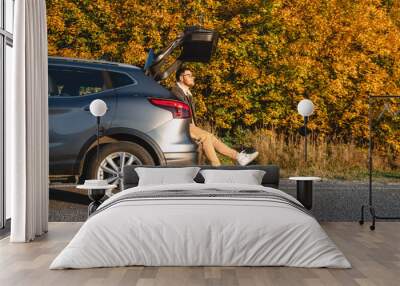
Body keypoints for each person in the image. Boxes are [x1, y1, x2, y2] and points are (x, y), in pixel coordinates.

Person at [171, 67, 259, 166]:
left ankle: (238, 157)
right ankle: (217, 166)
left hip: (190, 126)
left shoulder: (187, 93)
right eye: (189, 75)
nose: (193, 78)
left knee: (210, 137)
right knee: (205, 137)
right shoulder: (175, 91)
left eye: (192, 76)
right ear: (181, 78)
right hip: (181, 125)